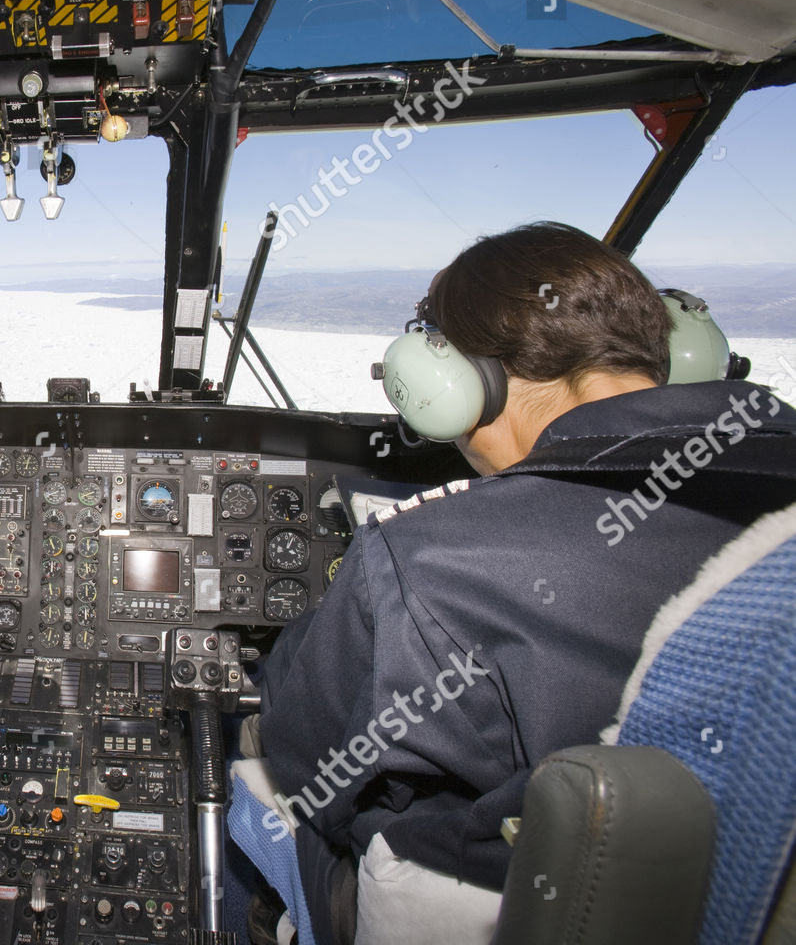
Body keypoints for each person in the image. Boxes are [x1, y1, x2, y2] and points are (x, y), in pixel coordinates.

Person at [256, 221, 796, 945]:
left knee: (255, 789)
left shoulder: (432, 559)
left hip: (515, 896)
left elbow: (313, 767)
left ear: (458, 380)